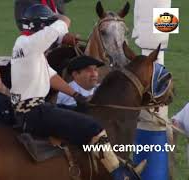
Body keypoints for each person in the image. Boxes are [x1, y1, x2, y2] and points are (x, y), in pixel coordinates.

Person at [10, 4, 143, 179]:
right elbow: (59, 27)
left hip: (32, 110)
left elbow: (51, 76)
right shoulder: (30, 44)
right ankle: (119, 175)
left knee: (84, 114)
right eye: (47, 26)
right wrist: (62, 20)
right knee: (94, 127)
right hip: (35, 112)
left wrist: (76, 95)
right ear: (41, 27)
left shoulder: (28, 48)